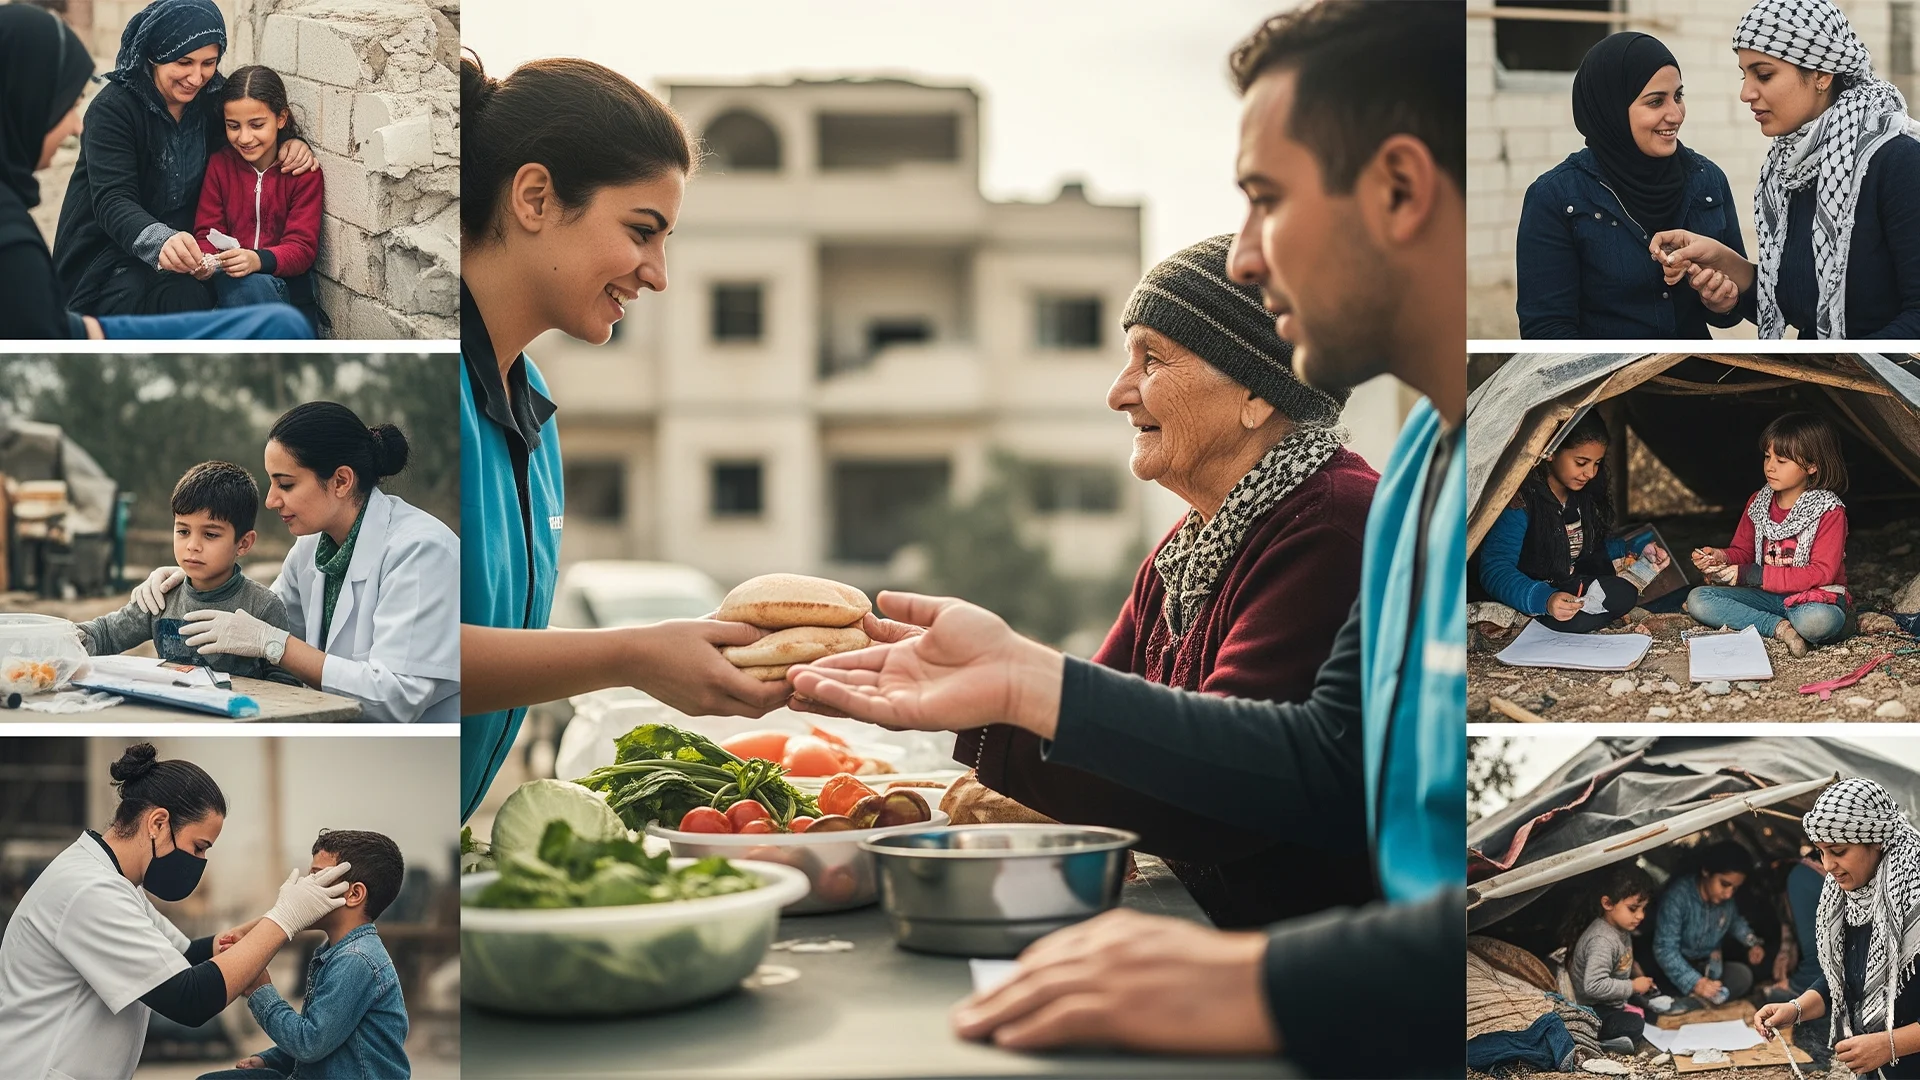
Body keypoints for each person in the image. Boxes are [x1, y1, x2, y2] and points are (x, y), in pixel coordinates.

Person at [790, 3, 1466, 1074]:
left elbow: (1269, 797)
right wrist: (1011, 686)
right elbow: (1315, 758)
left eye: (1266, 199)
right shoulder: (1427, 454)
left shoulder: (1348, 513)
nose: (1249, 255)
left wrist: (1261, 978)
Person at [955, 234, 1379, 930]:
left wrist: (976, 703)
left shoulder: (1335, 528)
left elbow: (1219, 803)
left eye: (1151, 359)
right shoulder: (1189, 547)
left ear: (1255, 392)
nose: (1120, 392)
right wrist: (965, 685)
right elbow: (1093, 733)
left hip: (1304, 969)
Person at [457, 52, 790, 819]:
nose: (658, 273)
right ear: (535, 197)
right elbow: (389, 655)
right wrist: (633, 655)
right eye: (643, 231)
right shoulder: (419, 379)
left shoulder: (531, 400)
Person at [0, 743, 353, 1080]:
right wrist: (285, 920)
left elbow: (187, 956)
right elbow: (189, 999)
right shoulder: (89, 891)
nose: (200, 862)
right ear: (157, 823)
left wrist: (284, 914)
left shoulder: (117, 883)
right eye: (199, 847)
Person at [0, 4, 309, 340]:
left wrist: (289, 145)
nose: (197, 77)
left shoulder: (212, 101)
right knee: (126, 293)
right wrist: (162, 240)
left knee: (190, 298)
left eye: (209, 63)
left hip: (186, 256)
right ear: (154, 55)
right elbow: (113, 199)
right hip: (109, 252)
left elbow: (245, 142)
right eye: (183, 63)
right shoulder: (113, 110)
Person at [136, 403, 461, 722]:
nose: (271, 500)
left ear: (341, 481)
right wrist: (192, 579)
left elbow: (395, 697)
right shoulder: (309, 547)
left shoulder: (420, 550)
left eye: (286, 484)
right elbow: (251, 619)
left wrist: (274, 644)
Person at [1652, 0, 1920, 339]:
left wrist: (1832, 369)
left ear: (1822, 74)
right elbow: (1794, 305)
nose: (1746, 93)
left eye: (1764, 75)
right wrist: (1722, 263)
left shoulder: (1898, 162)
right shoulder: (1790, 168)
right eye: (1744, 74)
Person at [1516, 31, 1745, 337]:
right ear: (1610, 109)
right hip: (1610, 383)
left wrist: (1723, 302)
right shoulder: (1554, 199)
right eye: (1655, 102)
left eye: (1678, 95)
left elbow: (1730, 313)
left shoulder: (1708, 181)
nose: (1675, 115)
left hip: (1697, 380)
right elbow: (1547, 333)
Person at [202, 830, 411, 1080]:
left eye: (316, 877)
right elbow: (331, 1037)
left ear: (354, 894)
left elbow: (310, 1042)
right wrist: (271, 1059)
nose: (304, 888)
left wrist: (260, 990)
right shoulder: (335, 952)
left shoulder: (356, 960)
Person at [1756, 778, 1920, 1079]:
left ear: (1877, 841)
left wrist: (1890, 1045)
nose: (1828, 865)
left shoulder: (1914, 899)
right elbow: (1843, 979)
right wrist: (1795, 1009)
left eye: (1839, 851)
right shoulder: (1851, 897)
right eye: (1820, 852)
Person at [77, 461, 294, 681]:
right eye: (183, 531)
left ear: (244, 543)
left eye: (210, 534)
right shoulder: (161, 596)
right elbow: (105, 635)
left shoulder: (262, 606)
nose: (192, 545)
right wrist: (63, 635)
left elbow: (287, 683)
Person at [1477, 412, 1670, 632]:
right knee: (1577, 618)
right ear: (1551, 452)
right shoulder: (1521, 501)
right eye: (1581, 462)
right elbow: (1494, 569)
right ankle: (1546, 621)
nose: (1590, 473)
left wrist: (1636, 549)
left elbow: (1594, 551)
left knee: (1624, 592)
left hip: (1567, 589)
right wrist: (1546, 600)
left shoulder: (1581, 497)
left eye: (1597, 463)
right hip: (1529, 596)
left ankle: (1565, 620)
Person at [1685, 412, 1853, 656]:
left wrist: (1752, 574)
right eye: (1767, 456)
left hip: (1811, 599)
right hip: (1766, 597)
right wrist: (1720, 557)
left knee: (1817, 621)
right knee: (1699, 599)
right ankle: (1779, 627)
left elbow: (1821, 572)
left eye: (1782, 460)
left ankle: (1775, 621)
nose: (1770, 467)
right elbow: (1744, 552)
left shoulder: (1828, 510)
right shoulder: (1758, 501)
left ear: (1812, 465)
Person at [195, 66, 323, 318]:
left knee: (249, 285)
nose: (244, 137)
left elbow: (302, 248)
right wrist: (206, 261)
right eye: (233, 126)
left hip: (285, 291)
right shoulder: (220, 165)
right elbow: (205, 233)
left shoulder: (302, 173)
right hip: (229, 285)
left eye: (256, 125)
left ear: (281, 118)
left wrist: (257, 260)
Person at [1646, 840, 1768, 1005]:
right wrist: (1696, 983)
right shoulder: (1677, 898)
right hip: (1676, 970)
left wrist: (1752, 943)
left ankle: (1695, 1002)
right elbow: (1665, 949)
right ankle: (1693, 1000)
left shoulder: (1726, 902)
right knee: (1662, 991)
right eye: (1724, 884)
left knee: (1742, 975)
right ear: (1706, 871)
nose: (1728, 894)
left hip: (1710, 967)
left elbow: (1735, 922)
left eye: (1735, 888)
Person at [1567, 863, 1664, 1049]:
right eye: (1633, 908)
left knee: (1652, 1014)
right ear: (1608, 903)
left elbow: (1621, 959)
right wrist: (1633, 986)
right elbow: (1593, 985)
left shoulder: (1621, 927)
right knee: (1634, 1024)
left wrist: (1636, 972)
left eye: (1643, 908)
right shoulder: (1602, 940)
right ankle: (1599, 1040)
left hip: (1612, 999)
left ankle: (1619, 1036)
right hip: (1593, 1008)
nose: (1641, 916)